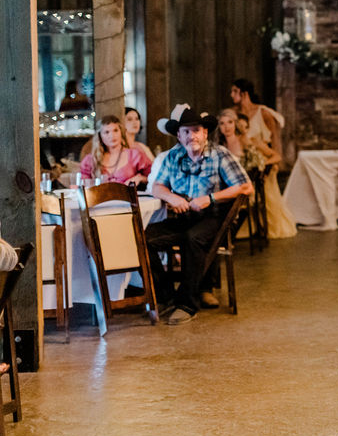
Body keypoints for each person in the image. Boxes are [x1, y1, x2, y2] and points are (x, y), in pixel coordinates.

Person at [147, 106, 252, 325]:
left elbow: (245, 187)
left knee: (192, 238)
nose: (191, 136)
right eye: (186, 131)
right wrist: (172, 198)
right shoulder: (173, 156)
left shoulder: (219, 154)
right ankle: (166, 295)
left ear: (205, 133)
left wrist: (210, 198)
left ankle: (187, 304)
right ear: (179, 135)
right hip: (184, 217)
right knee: (145, 238)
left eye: (196, 130)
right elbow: (156, 187)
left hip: (213, 217)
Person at [216, 109, 296, 239]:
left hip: (243, 186)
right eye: (222, 123)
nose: (226, 127)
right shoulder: (219, 145)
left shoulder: (247, 142)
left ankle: (225, 235)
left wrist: (262, 165)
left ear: (235, 124)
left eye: (230, 122)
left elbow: (273, 156)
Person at [80, 115, 152, 186]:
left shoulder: (135, 155)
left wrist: (139, 178)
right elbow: (83, 186)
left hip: (127, 197)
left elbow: (154, 178)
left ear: (121, 132)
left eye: (115, 130)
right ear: (100, 136)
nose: (112, 135)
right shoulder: (90, 160)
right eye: (107, 132)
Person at [231, 78, 284, 156]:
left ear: (245, 93)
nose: (231, 95)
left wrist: (276, 161)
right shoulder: (233, 113)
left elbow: (275, 138)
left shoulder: (263, 112)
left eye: (235, 91)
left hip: (261, 158)